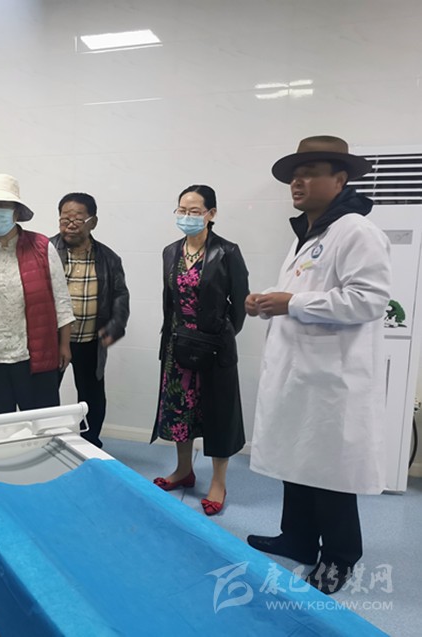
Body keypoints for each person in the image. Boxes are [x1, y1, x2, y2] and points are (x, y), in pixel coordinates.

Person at [246, 136, 391, 594]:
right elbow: (302, 295)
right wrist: (266, 302)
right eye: (295, 175)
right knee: (298, 459)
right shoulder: (309, 236)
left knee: (329, 472)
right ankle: (299, 538)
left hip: (332, 379)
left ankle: (340, 557)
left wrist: (291, 303)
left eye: (310, 174)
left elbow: (368, 300)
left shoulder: (356, 231)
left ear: (340, 179)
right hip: (301, 375)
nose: (298, 182)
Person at [151, 185, 248, 516]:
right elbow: (169, 301)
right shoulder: (170, 251)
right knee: (180, 409)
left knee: (218, 414)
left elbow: (239, 304)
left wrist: (221, 334)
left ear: (211, 214)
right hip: (178, 345)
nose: (187, 217)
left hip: (214, 346)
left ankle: (218, 482)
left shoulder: (227, 252)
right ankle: (183, 470)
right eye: (182, 210)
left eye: (194, 211)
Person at [0, 173, 74, 415]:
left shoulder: (41, 247)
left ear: (16, 212)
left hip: (35, 357)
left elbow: (61, 300)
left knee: (41, 425)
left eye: (4, 205)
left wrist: (64, 345)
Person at [50, 192, 130, 447]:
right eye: (65, 219)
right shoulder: (46, 251)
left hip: (90, 340)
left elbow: (120, 295)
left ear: (92, 222)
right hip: (52, 341)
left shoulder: (108, 258)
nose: (70, 225)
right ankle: (45, 442)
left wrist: (115, 327)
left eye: (77, 219)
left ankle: (91, 443)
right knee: (44, 395)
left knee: (92, 396)